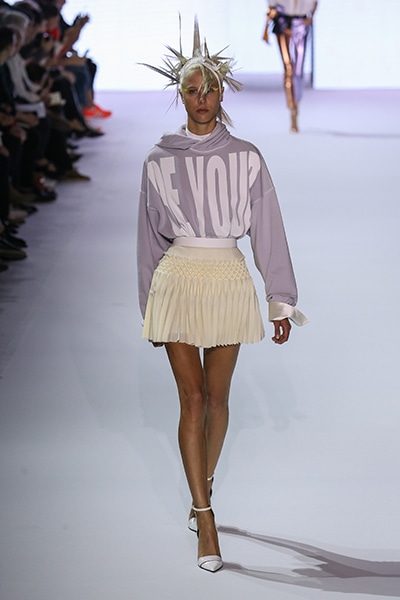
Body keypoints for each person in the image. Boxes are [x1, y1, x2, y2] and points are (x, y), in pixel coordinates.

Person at [137, 18, 308, 573]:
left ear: (221, 93)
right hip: (177, 280)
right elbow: (148, 238)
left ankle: (201, 485)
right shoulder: (158, 159)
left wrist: (280, 298)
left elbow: (269, 229)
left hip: (229, 279)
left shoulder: (248, 157)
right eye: (192, 89)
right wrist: (149, 308)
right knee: (190, 400)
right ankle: (206, 516)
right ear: (180, 94)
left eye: (210, 88)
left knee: (217, 399)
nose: (202, 98)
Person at [264, 1, 318, 132]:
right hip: (282, 23)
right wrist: (265, 28)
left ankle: (296, 104)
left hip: (301, 24)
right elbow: (271, 7)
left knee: (298, 70)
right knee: (288, 68)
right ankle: (292, 109)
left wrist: (311, 16)